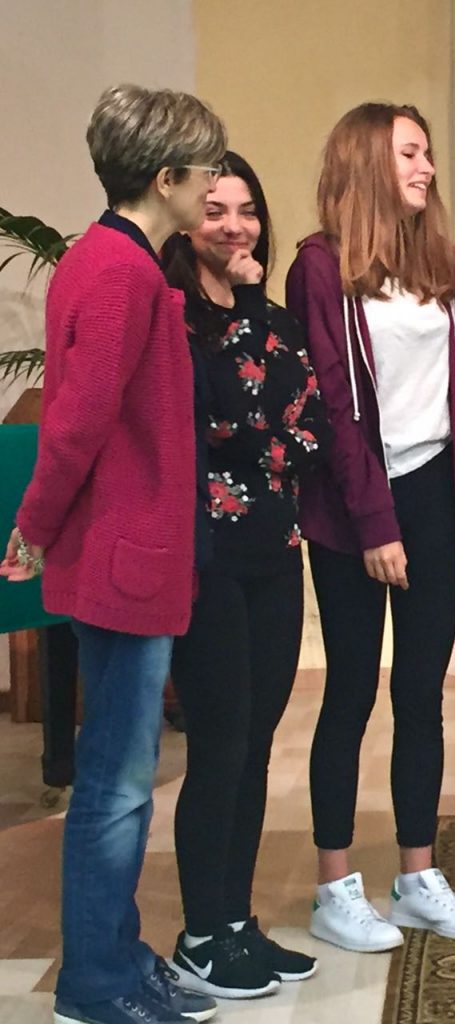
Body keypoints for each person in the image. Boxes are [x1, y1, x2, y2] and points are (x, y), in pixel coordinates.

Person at [0, 85, 226, 1024]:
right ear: (165, 177)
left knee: (119, 779)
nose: (215, 185)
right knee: (118, 785)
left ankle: (119, 957)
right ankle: (94, 983)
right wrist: (33, 526)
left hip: (122, 552)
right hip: (121, 557)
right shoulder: (120, 272)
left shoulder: (114, 261)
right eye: (207, 170)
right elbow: (76, 424)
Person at [286, 102, 455, 954]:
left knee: (421, 695)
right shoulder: (319, 266)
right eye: (409, 153)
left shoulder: (446, 265)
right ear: (366, 162)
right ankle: (334, 888)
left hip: (428, 494)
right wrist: (374, 522)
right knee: (350, 690)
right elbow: (333, 405)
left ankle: (417, 879)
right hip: (350, 505)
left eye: (426, 153)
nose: (426, 168)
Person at [161, 151, 329, 997]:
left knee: (257, 745)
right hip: (208, 557)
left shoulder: (271, 316)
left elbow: (311, 425)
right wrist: (261, 437)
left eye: (247, 210)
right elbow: (221, 416)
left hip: (275, 547)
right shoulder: (174, 317)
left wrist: (257, 438)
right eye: (216, 210)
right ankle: (198, 936)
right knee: (220, 745)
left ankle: (233, 922)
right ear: (186, 220)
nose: (235, 226)